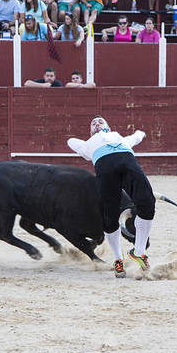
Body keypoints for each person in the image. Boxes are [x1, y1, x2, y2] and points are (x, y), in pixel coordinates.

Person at [67, 116, 155, 278]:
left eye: (100, 122)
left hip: (128, 163)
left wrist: (140, 133)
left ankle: (139, 252)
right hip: (106, 171)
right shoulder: (87, 145)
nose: (97, 124)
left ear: (108, 126)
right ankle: (118, 259)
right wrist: (90, 140)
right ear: (90, 131)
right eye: (93, 123)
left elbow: (135, 137)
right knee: (109, 216)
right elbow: (71, 141)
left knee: (148, 202)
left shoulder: (120, 138)